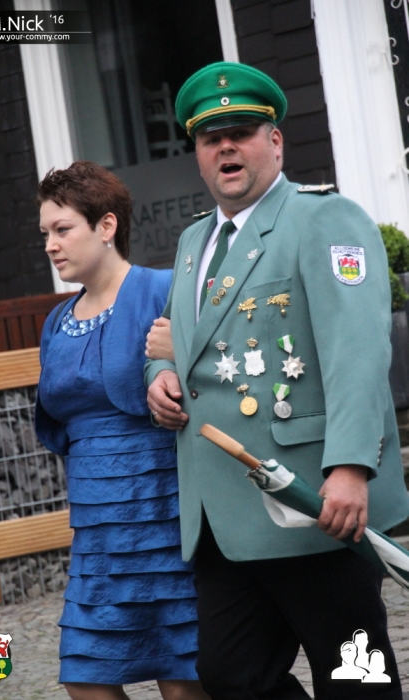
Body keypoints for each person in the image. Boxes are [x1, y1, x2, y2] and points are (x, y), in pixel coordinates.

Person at [145, 61, 409, 700]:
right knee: (231, 676)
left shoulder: (324, 219)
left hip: (311, 502)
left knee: (354, 680)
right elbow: (181, 339)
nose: (226, 148)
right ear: (198, 154)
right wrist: (160, 373)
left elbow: (357, 353)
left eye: (240, 133)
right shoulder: (193, 242)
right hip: (222, 511)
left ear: (275, 141)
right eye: (211, 138)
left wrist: (350, 467)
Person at [35, 161, 209, 700]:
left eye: (62, 229)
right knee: (84, 676)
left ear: (106, 226)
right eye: (45, 233)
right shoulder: (57, 321)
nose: (50, 245)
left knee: (182, 681)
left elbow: (204, 381)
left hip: (163, 513)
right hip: (96, 529)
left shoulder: (162, 289)